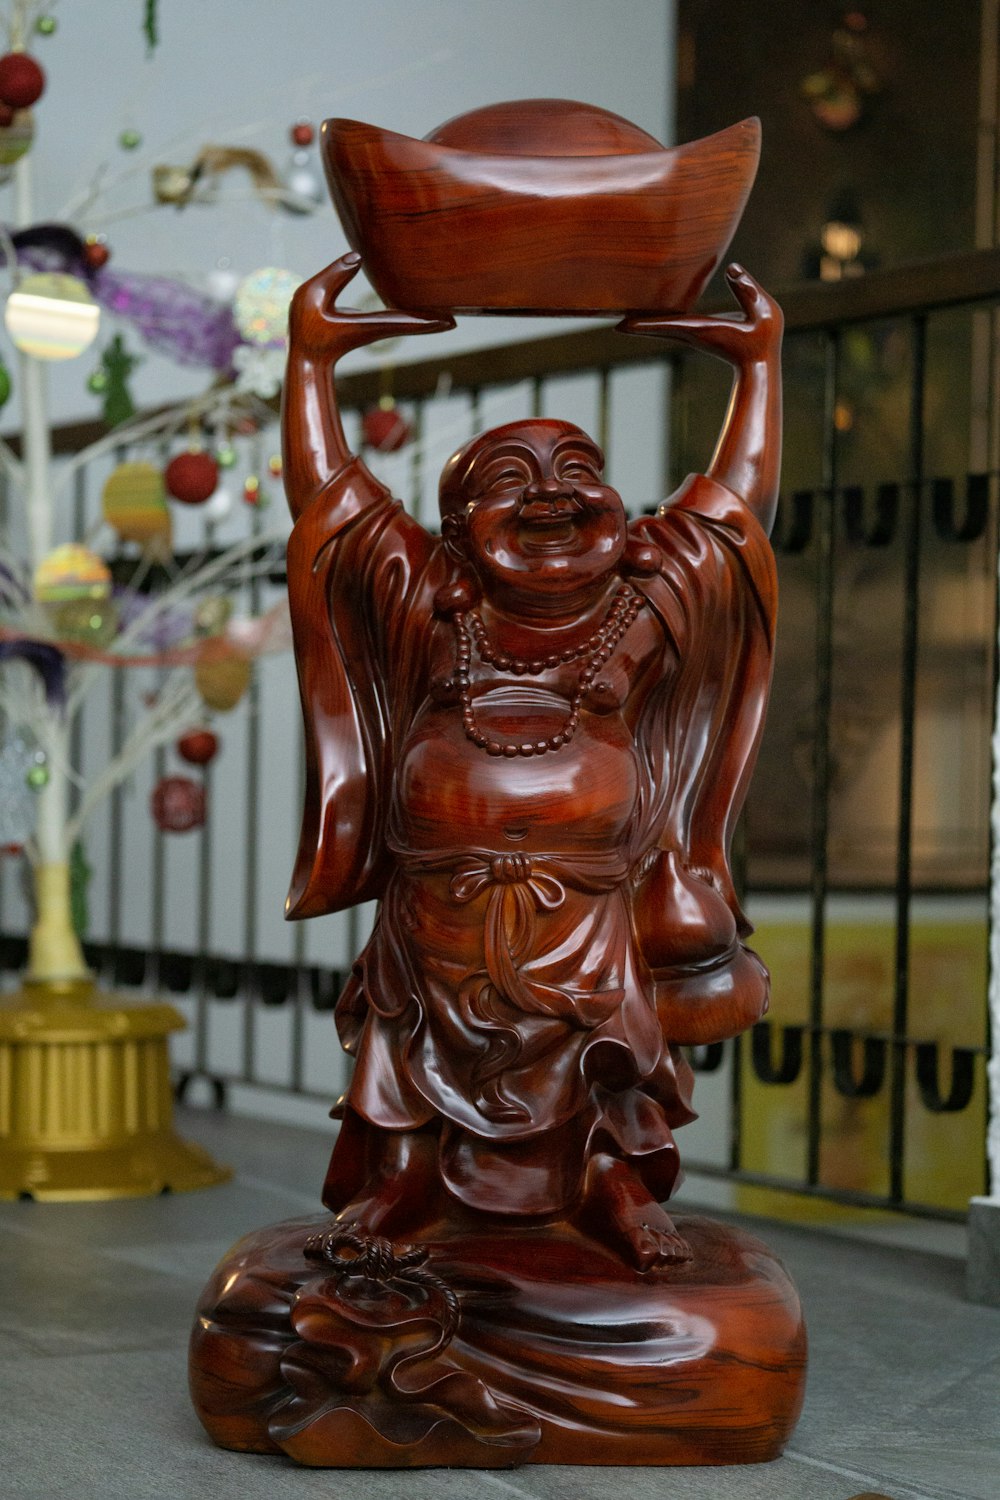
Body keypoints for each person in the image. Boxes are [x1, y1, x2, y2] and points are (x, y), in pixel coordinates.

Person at [282, 252, 781, 1271]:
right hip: (435, 914)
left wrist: (761, 370)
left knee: (595, 1073)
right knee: (412, 1056)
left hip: (584, 917)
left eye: (579, 473)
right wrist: (308, 367)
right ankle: (403, 1189)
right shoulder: (432, 607)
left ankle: (612, 1190)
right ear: (455, 534)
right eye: (511, 481)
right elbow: (330, 503)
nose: (554, 494)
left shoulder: (641, 608)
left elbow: (735, 514)